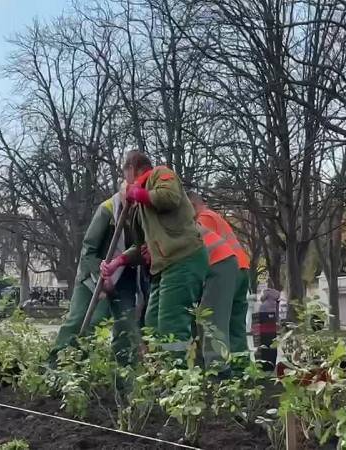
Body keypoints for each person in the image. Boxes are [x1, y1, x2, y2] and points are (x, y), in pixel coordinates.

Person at [101, 151, 208, 356]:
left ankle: (178, 379)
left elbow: (169, 197)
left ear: (131, 169)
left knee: (171, 323)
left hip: (183, 258)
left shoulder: (160, 174)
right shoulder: (141, 209)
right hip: (165, 267)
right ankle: (161, 371)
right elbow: (142, 247)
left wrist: (135, 193)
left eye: (126, 177)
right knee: (151, 323)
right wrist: (118, 262)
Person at [50, 191, 140, 366]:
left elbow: (140, 248)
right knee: (82, 322)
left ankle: (124, 381)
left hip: (125, 278)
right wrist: (101, 275)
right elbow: (88, 251)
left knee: (126, 329)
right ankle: (58, 368)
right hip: (91, 277)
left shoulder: (142, 216)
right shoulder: (106, 210)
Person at [187, 192, 252, 366]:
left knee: (213, 322)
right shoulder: (216, 217)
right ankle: (242, 370)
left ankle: (218, 370)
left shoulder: (204, 218)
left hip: (228, 271)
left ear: (192, 206)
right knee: (235, 326)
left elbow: (204, 251)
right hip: (242, 268)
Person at [196, 224, 238, 372]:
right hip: (231, 263)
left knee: (211, 320)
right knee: (224, 323)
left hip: (218, 263)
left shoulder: (203, 217)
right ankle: (234, 367)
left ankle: (219, 373)